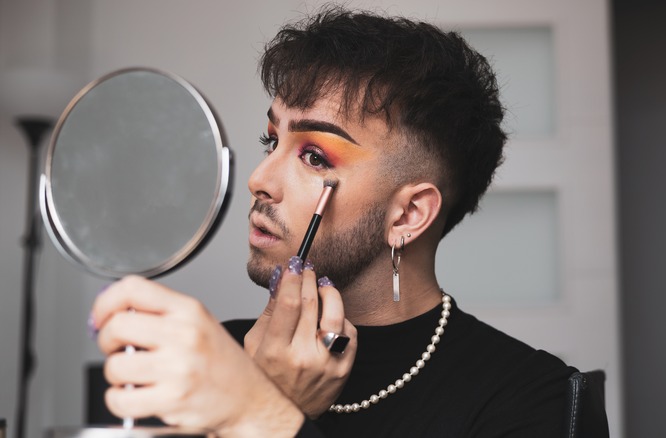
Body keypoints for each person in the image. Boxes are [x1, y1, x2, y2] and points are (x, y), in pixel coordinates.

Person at [91, 6, 580, 437]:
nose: (260, 180)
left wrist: (263, 414)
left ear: (408, 214)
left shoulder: (531, 398)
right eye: (271, 142)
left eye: (315, 157)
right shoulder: (209, 360)